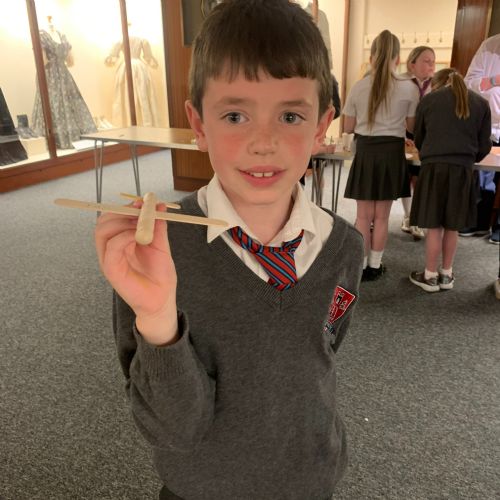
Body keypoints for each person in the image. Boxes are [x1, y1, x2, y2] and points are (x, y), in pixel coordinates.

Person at [94, 1, 364, 499]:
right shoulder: (156, 251)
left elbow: (322, 348)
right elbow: (173, 429)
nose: (264, 142)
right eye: (235, 115)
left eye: (290, 115)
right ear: (198, 124)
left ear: (321, 124)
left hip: (310, 481)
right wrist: (157, 317)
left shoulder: (345, 246)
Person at [342, 30, 419, 281]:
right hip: (391, 153)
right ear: (398, 58)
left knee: (363, 216)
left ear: (372, 57)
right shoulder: (409, 88)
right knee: (382, 216)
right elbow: (412, 127)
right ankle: (375, 265)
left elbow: (348, 127)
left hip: (366, 151)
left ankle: (361, 266)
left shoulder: (358, 87)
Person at [408, 68, 491, 292]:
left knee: (434, 226)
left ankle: (430, 276)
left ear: (437, 84)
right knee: (452, 226)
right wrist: (467, 159)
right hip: (462, 171)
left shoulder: (429, 101)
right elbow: (484, 145)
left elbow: (419, 138)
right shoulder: (481, 104)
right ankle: (446, 274)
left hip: (433, 169)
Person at [461, 33, 500, 244]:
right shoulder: (489, 45)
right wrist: (493, 81)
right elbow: (468, 83)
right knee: (483, 176)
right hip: (487, 125)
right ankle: (478, 222)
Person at [399, 46, 436, 239]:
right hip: (404, 133)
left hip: (427, 135)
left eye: (433, 61)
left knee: (420, 178)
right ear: (412, 64)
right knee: (406, 176)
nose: (431, 65)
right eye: (426, 61)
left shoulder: (436, 85)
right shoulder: (400, 82)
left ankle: (417, 217)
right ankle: (408, 216)